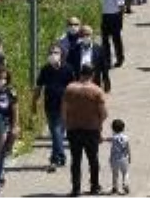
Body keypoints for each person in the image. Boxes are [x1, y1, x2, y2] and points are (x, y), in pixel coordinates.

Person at [62, 64, 107, 198]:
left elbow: (63, 111)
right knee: (93, 159)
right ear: (92, 75)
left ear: (79, 74)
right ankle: (94, 186)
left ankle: (76, 189)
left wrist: (67, 124)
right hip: (91, 129)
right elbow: (104, 113)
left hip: (74, 129)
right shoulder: (97, 91)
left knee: (76, 160)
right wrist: (99, 125)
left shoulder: (70, 89)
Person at [34, 43, 74, 173]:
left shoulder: (68, 69)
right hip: (49, 105)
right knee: (57, 131)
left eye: (56, 52)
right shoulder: (45, 69)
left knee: (58, 131)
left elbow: (72, 87)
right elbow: (39, 86)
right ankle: (59, 157)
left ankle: (55, 159)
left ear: (61, 54)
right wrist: (34, 102)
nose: (53, 55)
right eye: (51, 52)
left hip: (64, 104)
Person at [64, 24, 110, 92]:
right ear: (80, 37)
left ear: (92, 35)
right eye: (83, 35)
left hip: (94, 83)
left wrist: (106, 82)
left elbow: (104, 67)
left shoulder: (99, 49)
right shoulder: (73, 50)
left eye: (88, 34)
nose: (85, 37)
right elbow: (68, 67)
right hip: (79, 83)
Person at [100, 0, 126, 69]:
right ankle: (107, 60)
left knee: (116, 39)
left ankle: (120, 59)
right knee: (105, 39)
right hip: (106, 15)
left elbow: (121, 4)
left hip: (114, 16)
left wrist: (120, 19)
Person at [108, 118, 131, 195]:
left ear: (113, 128)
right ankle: (125, 184)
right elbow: (128, 148)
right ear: (123, 128)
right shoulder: (126, 137)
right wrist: (130, 157)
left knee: (115, 174)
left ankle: (115, 187)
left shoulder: (113, 138)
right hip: (124, 158)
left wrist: (102, 139)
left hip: (114, 159)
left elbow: (107, 139)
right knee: (125, 172)